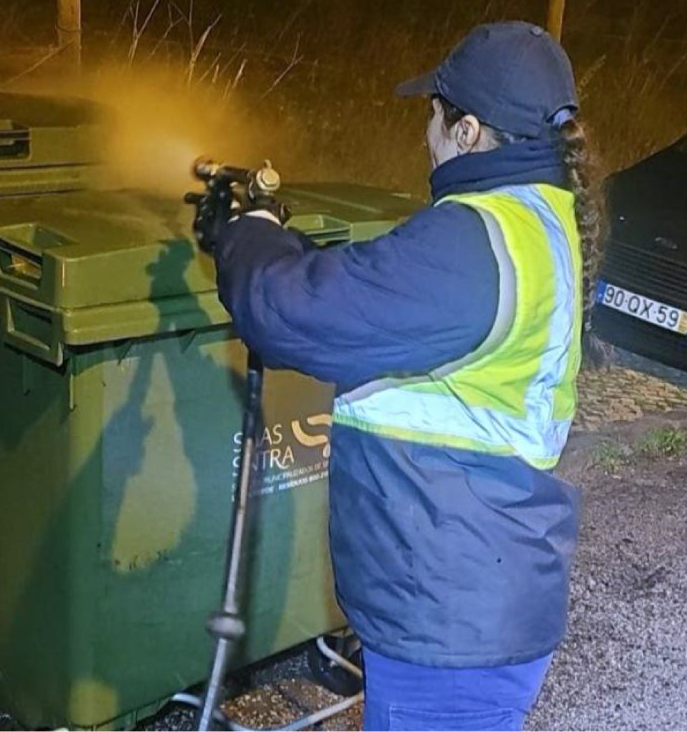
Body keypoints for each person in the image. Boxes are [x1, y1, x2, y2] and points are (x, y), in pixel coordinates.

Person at [208, 21, 601, 732]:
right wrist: (280, 239)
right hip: (480, 588)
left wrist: (246, 233)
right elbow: (374, 295)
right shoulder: (538, 217)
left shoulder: (472, 241)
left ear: (469, 130)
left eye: (434, 113)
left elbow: (291, 312)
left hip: (448, 624)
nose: (426, 131)